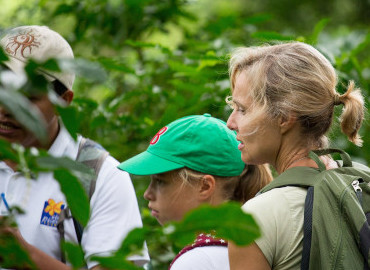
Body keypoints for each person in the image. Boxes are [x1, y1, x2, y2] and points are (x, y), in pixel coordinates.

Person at [0, 25, 149, 269]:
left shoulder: (98, 175)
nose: (6, 108)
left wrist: (27, 257)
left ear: (63, 102)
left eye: (27, 96)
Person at [226, 41, 365, 269]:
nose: (231, 123)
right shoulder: (362, 179)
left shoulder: (253, 220)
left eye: (243, 109)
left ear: (283, 117)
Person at [118, 113, 272, 270]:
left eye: (160, 182)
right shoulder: (252, 245)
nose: (147, 194)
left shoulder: (197, 261)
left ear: (204, 186)